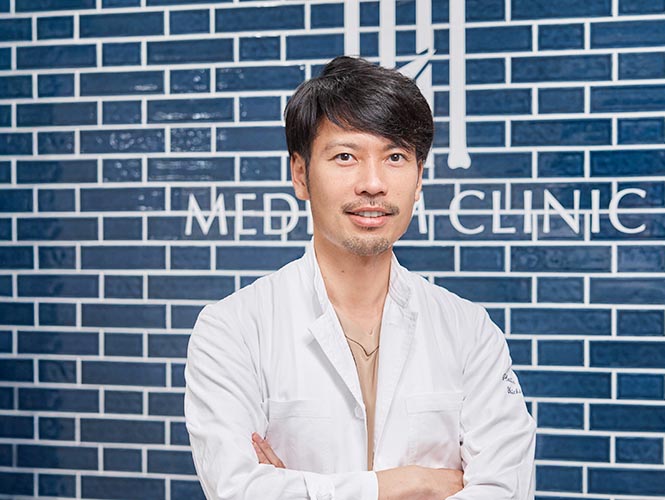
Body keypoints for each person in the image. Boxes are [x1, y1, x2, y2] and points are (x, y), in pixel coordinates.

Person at [185, 56, 536, 500]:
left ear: (419, 178)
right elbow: (239, 490)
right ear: (300, 174)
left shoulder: (469, 330)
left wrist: (304, 488)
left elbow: (506, 490)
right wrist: (411, 483)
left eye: (395, 157)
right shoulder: (232, 329)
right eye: (346, 156)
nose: (373, 183)